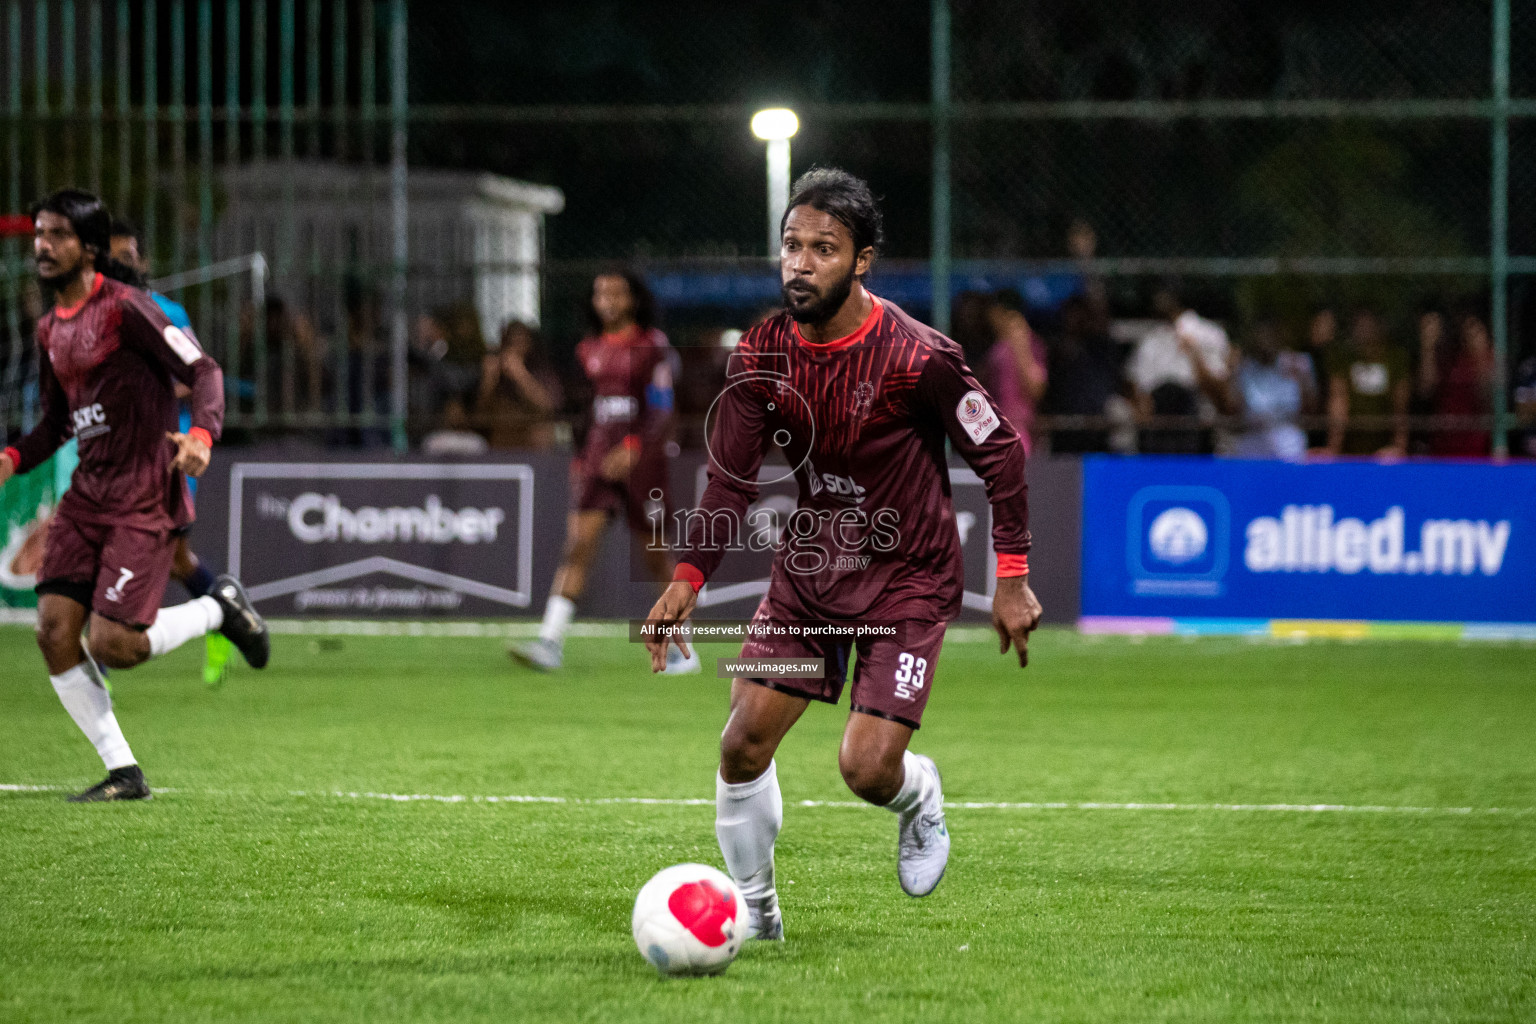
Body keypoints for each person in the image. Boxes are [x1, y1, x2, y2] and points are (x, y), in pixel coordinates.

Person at [642, 168, 1042, 939]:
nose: (800, 262)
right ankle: (756, 915)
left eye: (823, 248)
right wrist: (687, 580)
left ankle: (919, 796)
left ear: (862, 260)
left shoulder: (920, 356)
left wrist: (1015, 579)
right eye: (791, 245)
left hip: (910, 579)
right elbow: (729, 480)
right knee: (742, 743)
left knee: (865, 769)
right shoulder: (761, 350)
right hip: (812, 577)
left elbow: (1002, 455)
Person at [0, 189, 269, 802]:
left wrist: (201, 433)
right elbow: (54, 423)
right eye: (40, 233)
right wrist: (11, 460)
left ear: (89, 249)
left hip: (143, 494)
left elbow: (204, 370)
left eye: (59, 235)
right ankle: (124, 772)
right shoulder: (49, 330)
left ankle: (217, 608)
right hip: (87, 496)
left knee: (114, 646)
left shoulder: (129, 310)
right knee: (52, 631)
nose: (43, 245)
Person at [511, 269, 695, 673]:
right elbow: (583, 413)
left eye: (616, 293)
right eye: (600, 293)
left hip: (643, 467)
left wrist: (632, 448)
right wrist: (582, 457)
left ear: (633, 299)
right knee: (577, 546)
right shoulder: (587, 350)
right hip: (597, 464)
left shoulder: (652, 347)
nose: (607, 300)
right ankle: (550, 641)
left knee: (655, 558)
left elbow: (662, 409)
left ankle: (684, 648)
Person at [108, 218, 238, 684]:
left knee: (171, 556)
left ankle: (219, 618)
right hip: (109, 457)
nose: (130, 264)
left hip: (168, 454)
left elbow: (195, 376)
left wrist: (143, 388)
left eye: (132, 255)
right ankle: (223, 613)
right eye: (119, 256)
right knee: (175, 559)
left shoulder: (165, 312)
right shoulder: (82, 314)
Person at [1128, 287, 1236, 454]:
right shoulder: (1150, 340)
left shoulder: (1210, 334)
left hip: (1197, 420)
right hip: (1159, 423)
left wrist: (1194, 356)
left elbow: (1221, 396)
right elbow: (1136, 387)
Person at [1039, 294, 1124, 454]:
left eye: (1079, 315)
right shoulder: (1056, 351)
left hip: (1096, 424)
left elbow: (1110, 384)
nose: (1073, 320)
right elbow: (1050, 389)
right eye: (1069, 315)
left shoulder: (1102, 347)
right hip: (1063, 426)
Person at [1326, 308, 1410, 457]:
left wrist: (1399, 447)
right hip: (1350, 446)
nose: (1364, 330)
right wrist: (1333, 449)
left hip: (1384, 447)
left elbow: (1400, 407)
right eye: (1359, 326)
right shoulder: (1344, 360)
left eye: (1369, 325)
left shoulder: (1395, 359)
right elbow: (1339, 403)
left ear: (1379, 327)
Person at [1229, 320, 1316, 460]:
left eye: (1270, 335)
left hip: (1288, 440)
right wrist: (1232, 375)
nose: (1265, 340)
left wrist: (1302, 380)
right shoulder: (1243, 367)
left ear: (1279, 337)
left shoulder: (1297, 363)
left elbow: (1311, 409)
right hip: (1253, 439)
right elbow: (1232, 410)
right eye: (1261, 335)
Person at [475, 320, 562, 450]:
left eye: (521, 342)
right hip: (500, 441)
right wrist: (488, 381)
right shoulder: (497, 373)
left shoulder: (541, 371)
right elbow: (479, 415)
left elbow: (548, 408)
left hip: (532, 442)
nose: (516, 347)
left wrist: (521, 375)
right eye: (511, 342)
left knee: (542, 432)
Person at [982, 291, 1048, 456]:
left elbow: (1036, 389)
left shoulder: (1033, 346)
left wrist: (1021, 345)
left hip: (1020, 432)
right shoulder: (997, 349)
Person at [1423, 311, 1496, 457]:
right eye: (1466, 332)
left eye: (1475, 331)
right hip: (1443, 442)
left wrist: (1480, 358)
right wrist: (1428, 347)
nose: (1470, 337)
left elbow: (1488, 399)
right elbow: (1426, 389)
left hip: (1477, 446)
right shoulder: (1450, 358)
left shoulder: (1492, 359)